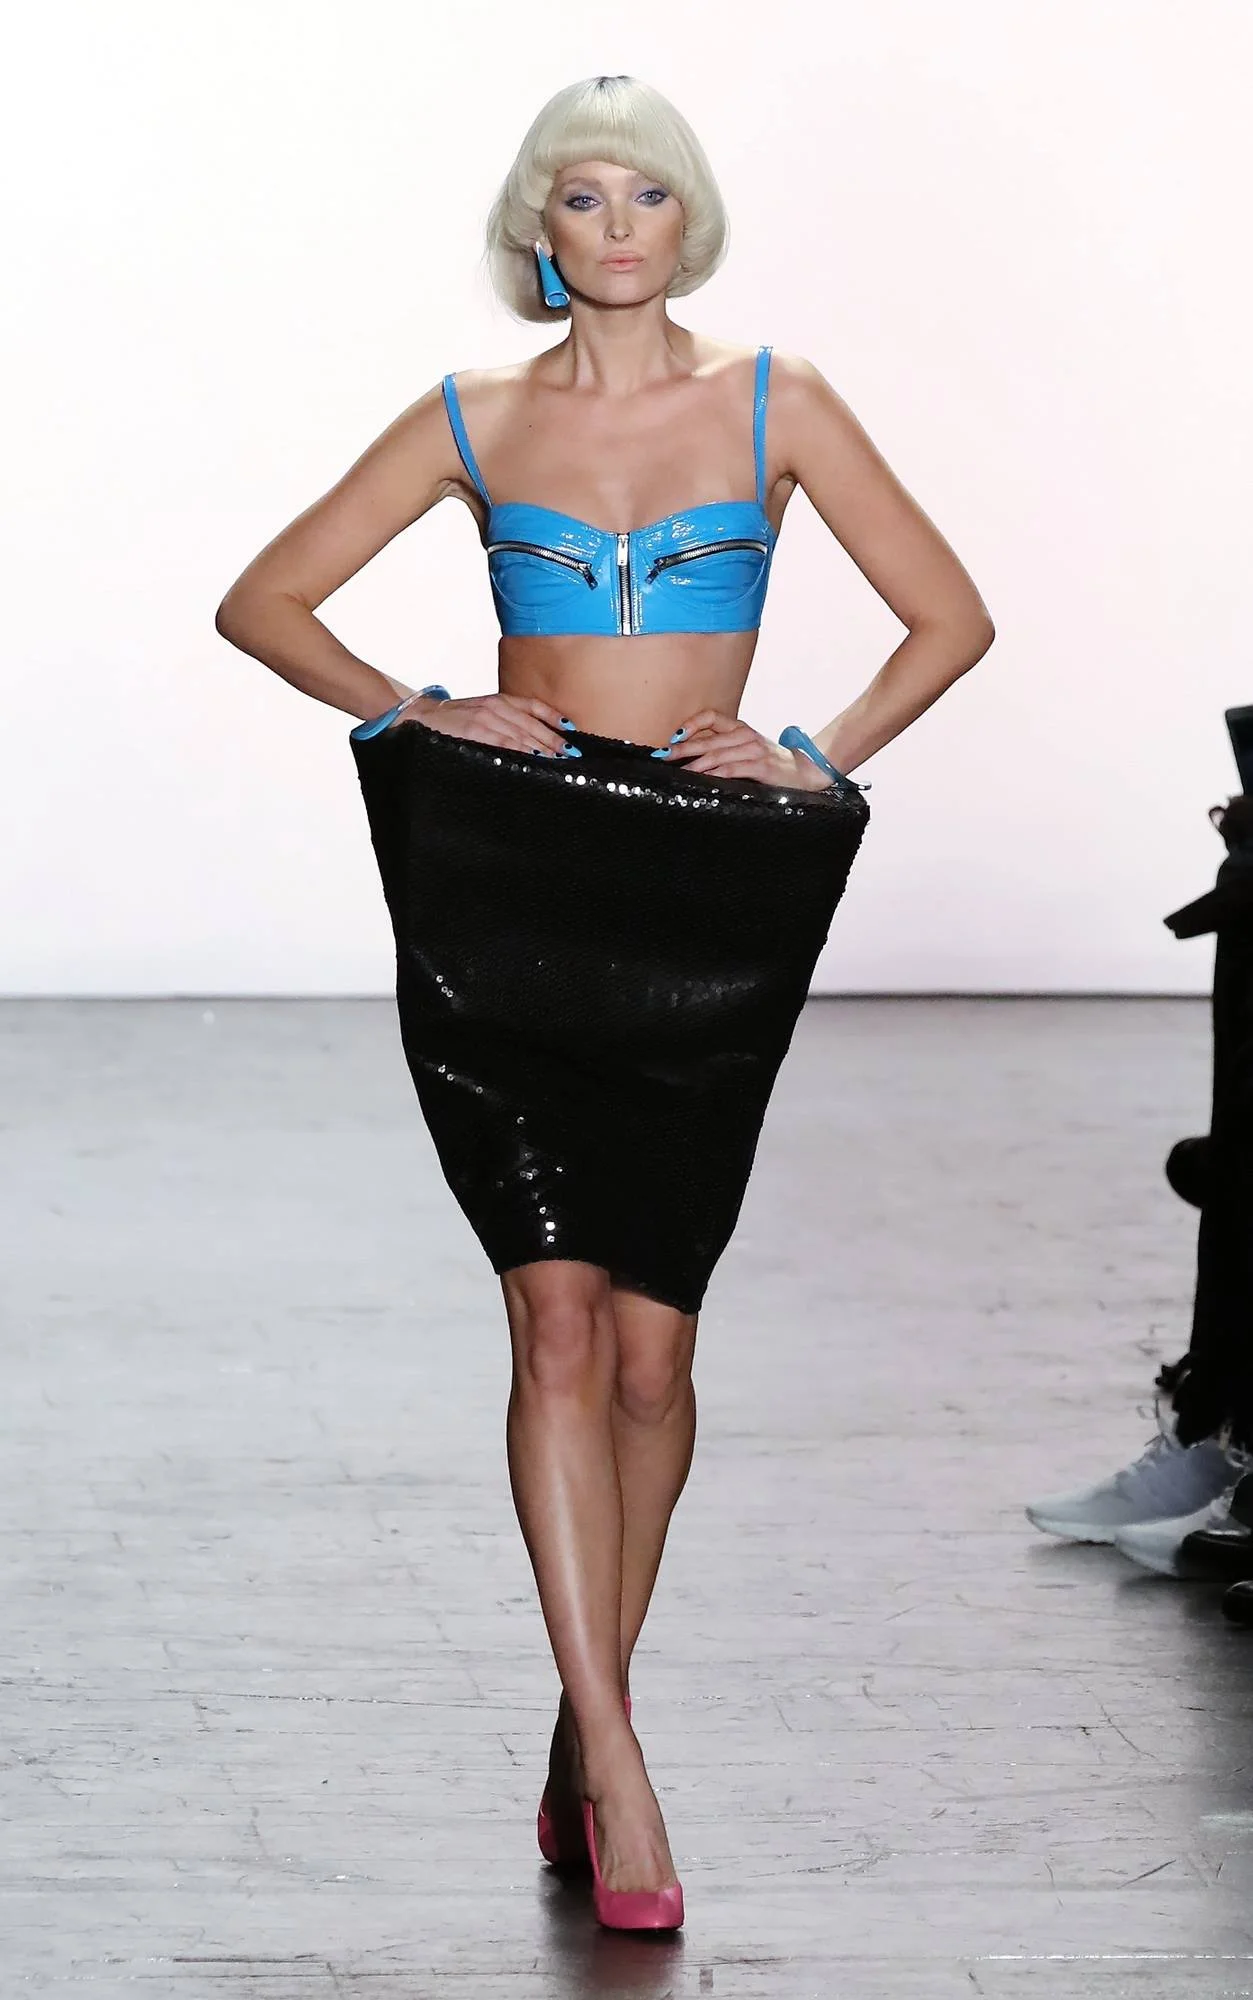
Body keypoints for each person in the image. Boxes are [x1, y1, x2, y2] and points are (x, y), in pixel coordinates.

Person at [213, 74, 995, 1930]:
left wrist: (815, 754)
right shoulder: (472, 416)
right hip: (512, 875)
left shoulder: (778, 401)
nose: (619, 225)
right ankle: (624, 1770)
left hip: (708, 889)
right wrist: (419, 707)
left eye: (647, 194)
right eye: (584, 195)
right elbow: (264, 601)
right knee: (553, 1323)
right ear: (538, 226)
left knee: (655, 1354)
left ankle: (582, 1722)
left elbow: (951, 618)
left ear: (687, 218)